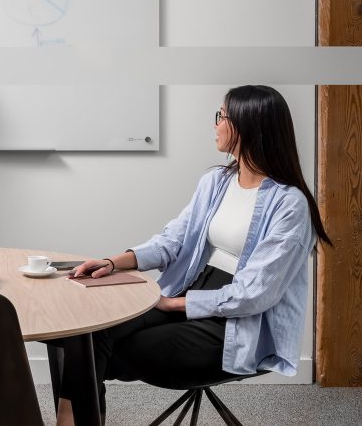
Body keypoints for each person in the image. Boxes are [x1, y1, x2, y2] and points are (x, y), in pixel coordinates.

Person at [55, 85, 331, 425]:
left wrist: (170, 304)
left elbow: (255, 294)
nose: (215, 125)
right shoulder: (216, 181)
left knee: (117, 349)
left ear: (247, 125)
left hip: (237, 322)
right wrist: (113, 262)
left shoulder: (290, 204)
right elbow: (174, 239)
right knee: (89, 332)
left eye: (222, 117)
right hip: (194, 290)